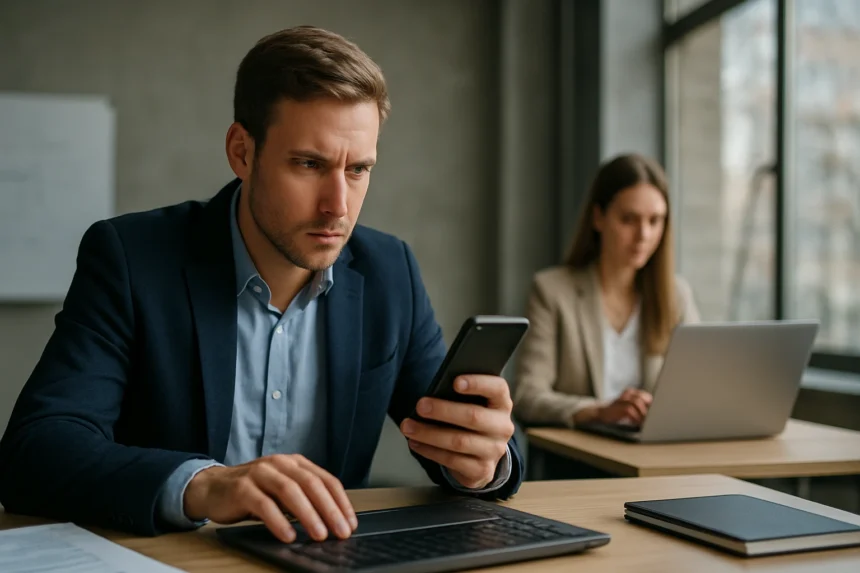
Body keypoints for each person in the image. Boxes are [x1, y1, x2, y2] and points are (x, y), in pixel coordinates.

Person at [0, 26, 523, 544]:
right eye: (308, 164)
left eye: (359, 169)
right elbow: (35, 452)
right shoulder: (132, 258)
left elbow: (453, 435)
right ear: (241, 152)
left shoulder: (390, 271)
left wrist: (480, 462)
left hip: (326, 559)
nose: (337, 206)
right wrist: (205, 485)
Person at [513, 153, 699, 429]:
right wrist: (598, 411)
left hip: (654, 457)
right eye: (629, 219)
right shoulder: (552, 291)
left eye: (655, 221)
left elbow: (699, 388)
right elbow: (528, 395)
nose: (644, 235)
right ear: (598, 218)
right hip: (581, 460)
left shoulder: (676, 295)